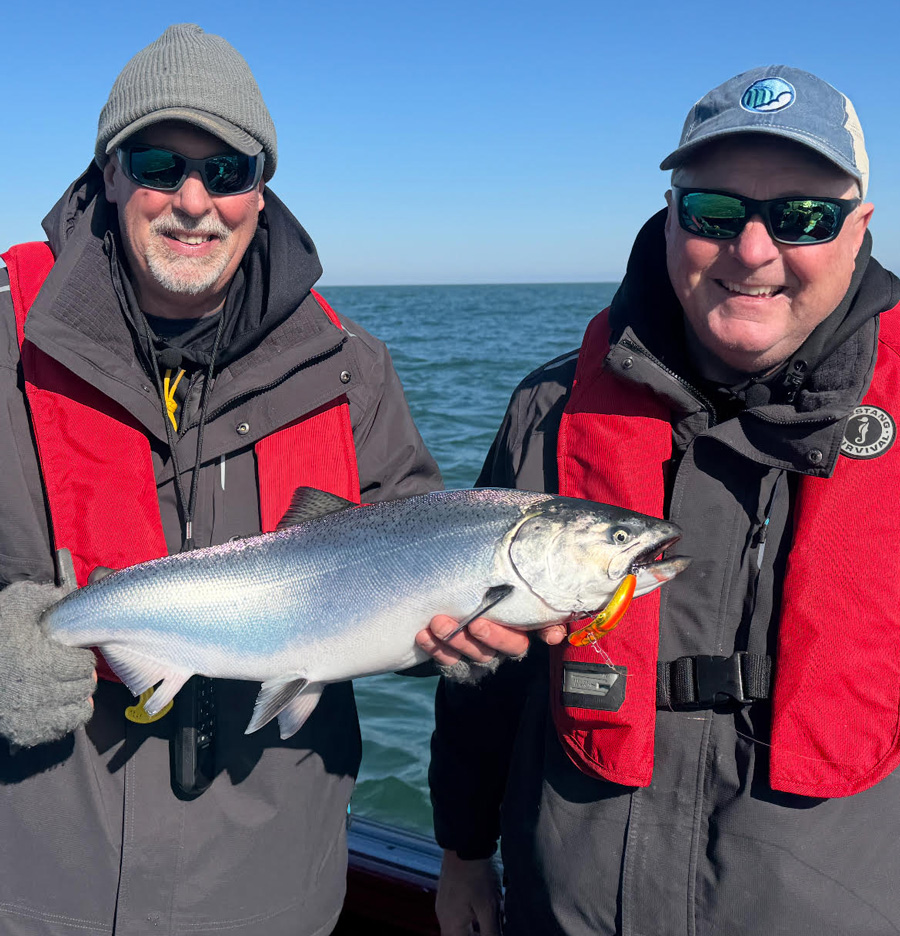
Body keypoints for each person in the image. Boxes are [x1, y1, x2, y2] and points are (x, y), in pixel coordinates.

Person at [419, 66, 900, 935]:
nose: (752, 250)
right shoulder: (551, 408)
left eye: (802, 217)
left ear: (859, 228)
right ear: (671, 218)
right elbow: (481, 682)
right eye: (714, 211)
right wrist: (461, 852)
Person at [0, 23, 440, 936]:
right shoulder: (7, 336)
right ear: (109, 174)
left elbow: (425, 558)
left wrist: (471, 629)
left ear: (260, 188)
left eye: (228, 170)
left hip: (271, 895)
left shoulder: (352, 369)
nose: (194, 201)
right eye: (160, 165)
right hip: (34, 890)